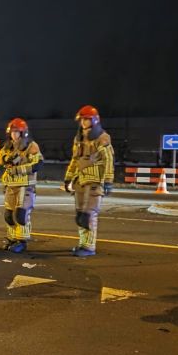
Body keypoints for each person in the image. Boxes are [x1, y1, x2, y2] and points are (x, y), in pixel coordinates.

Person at [63, 105, 114, 257]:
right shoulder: (78, 139)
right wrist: (68, 178)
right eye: (82, 120)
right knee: (80, 215)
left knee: (88, 214)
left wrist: (108, 181)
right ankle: (83, 244)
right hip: (80, 180)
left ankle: (89, 247)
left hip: (94, 181)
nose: (84, 122)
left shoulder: (102, 137)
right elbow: (75, 160)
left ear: (94, 120)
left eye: (87, 119)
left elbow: (108, 159)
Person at [0, 118, 42, 253]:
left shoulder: (31, 146)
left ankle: (22, 241)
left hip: (25, 185)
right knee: (8, 215)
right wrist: (5, 159)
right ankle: (12, 238)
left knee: (21, 214)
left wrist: (19, 169)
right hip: (10, 185)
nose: (14, 135)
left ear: (23, 133)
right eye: (12, 132)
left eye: (16, 132)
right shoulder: (8, 146)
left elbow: (38, 164)